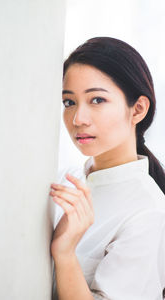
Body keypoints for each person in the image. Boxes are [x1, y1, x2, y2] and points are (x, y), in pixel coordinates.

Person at [49, 37, 165, 300]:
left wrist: (65, 253)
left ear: (137, 109)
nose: (78, 119)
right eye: (69, 102)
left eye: (97, 100)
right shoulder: (65, 180)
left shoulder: (149, 213)